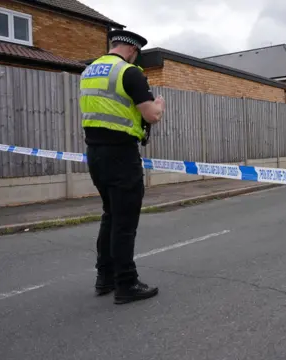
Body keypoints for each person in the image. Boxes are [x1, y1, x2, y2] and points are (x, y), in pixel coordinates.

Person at [80, 29, 165, 304]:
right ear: (132, 50)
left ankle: (104, 278)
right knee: (125, 222)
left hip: (95, 154)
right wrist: (159, 105)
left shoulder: (90, 71)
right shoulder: (129, 72)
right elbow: (150, 115)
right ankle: (126, 283)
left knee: (110, 215)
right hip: (121, 155)